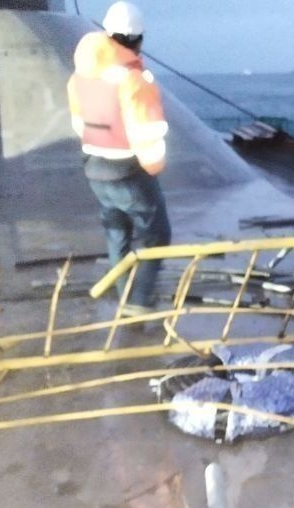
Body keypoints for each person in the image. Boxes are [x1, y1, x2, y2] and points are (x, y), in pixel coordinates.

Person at [67, 1, 171, 316]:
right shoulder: (134, 81)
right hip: (128, 172)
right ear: (138, 39)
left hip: (94, 170)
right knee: (158, 235)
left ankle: (125, 293)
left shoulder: (80, 78)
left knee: (117, 233)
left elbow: (78, 124)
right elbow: (147, 134)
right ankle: (139, 300)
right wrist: (153, 166)